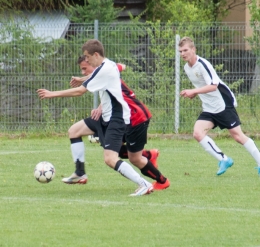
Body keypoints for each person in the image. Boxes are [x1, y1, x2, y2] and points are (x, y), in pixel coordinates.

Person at [37, 39, 153, 196]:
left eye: (87, 57)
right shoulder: (107, 65)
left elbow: (80, 91)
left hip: (115, 118)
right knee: (74, 130)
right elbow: (117, 69)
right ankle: (80, 173)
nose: (86, 59)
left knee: (110, 159)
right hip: (107, 116)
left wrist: (53, 94)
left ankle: (144, 183)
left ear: (96, 54)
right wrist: (82, 79)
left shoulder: (104, 69)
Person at [70, 56, 170, 190]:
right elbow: (122, 66)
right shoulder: (108, 70)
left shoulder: (105, 73)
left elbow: (114, 89)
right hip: (122, 117)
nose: (83, 72)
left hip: (135, 117)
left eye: (84, 69)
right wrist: (101, 106)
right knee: (109, 147)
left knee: (133, 158)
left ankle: (161, 180)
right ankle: (148, 155)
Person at [179, 36, 260, 175]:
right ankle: (224, 159)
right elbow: (201, 85)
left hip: (223, 103)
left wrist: (194, 91)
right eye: (180, 51)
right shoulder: (187, 67)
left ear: (193, 49)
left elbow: (213, 85)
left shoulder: (203, 64)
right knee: (198, 133)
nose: (182, 54)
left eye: (185, 50)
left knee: (238, 136)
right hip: (209, 107)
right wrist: (195, 93)